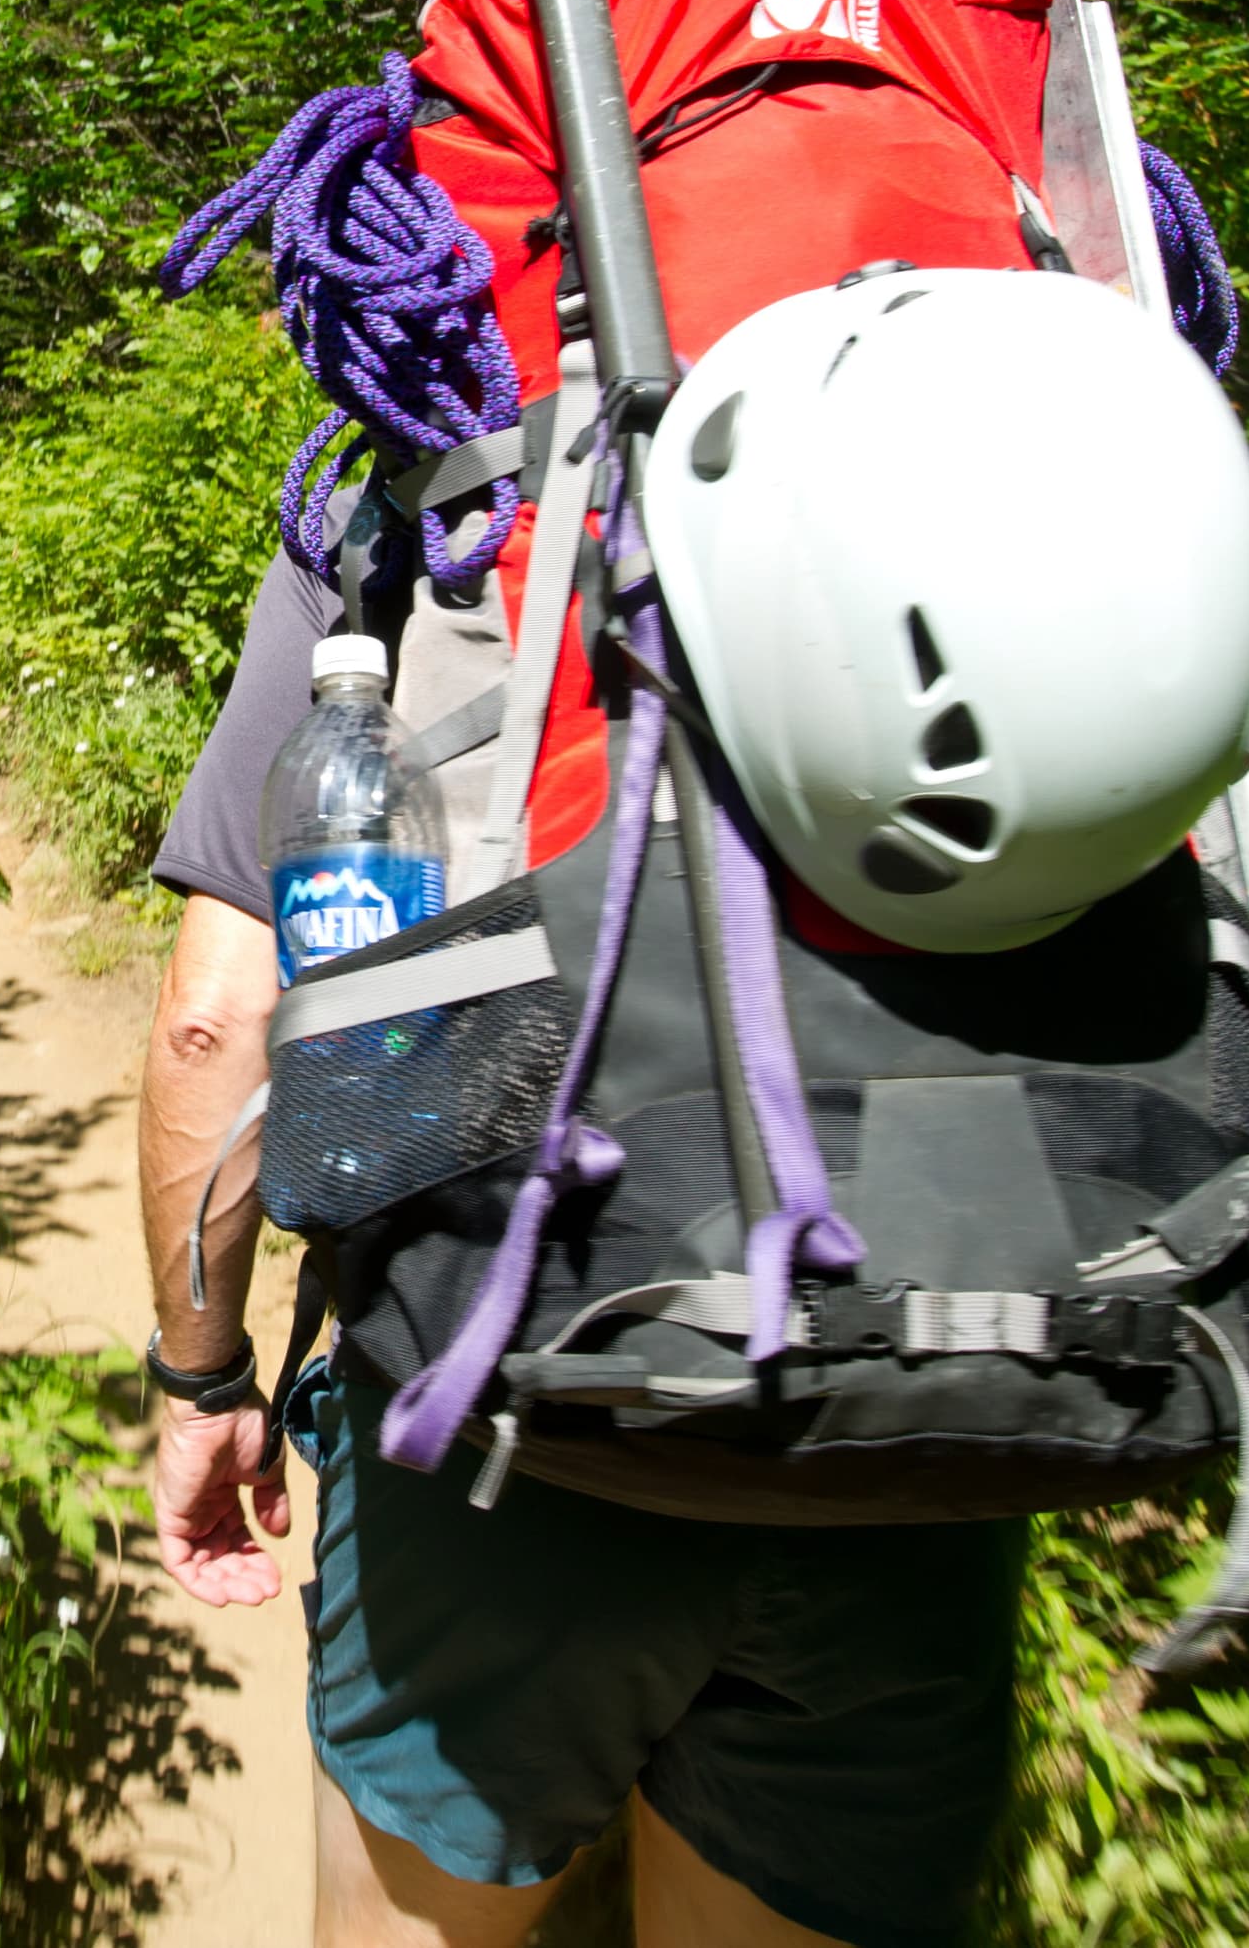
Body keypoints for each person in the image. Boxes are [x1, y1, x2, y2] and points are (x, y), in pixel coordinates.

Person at [137, 543, 1030, 1948]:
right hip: (928, 1385)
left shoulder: (407, 502)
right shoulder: (940, 468)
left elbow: (217, 1014)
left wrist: (200, 1377)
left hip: (504, 1406)